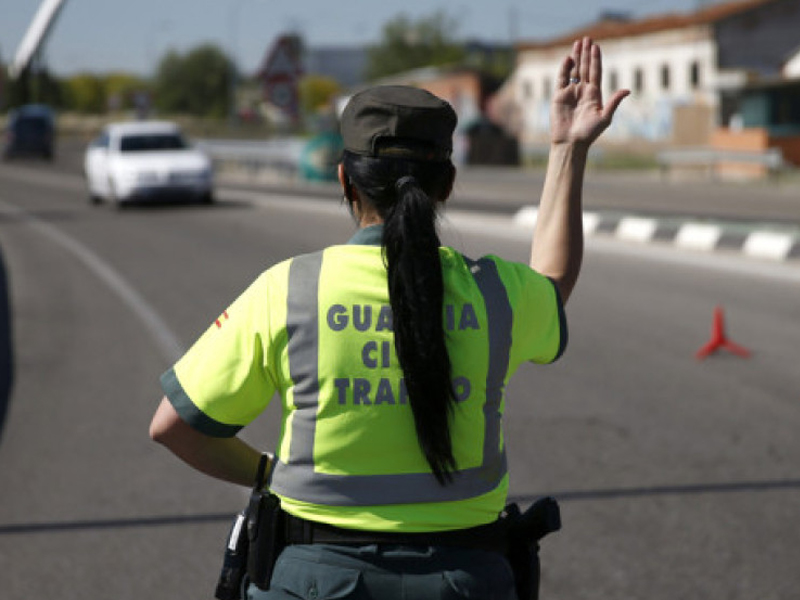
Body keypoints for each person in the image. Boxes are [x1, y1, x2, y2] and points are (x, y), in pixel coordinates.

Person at [150, 37, 628, 600]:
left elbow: (173, 426)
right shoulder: (496, 293)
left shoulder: (289, 289)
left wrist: (265, 475)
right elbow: (554, 283)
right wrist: (568, 149)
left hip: (314, 581)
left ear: (345, 181)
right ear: (447, 186)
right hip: (468, 580)